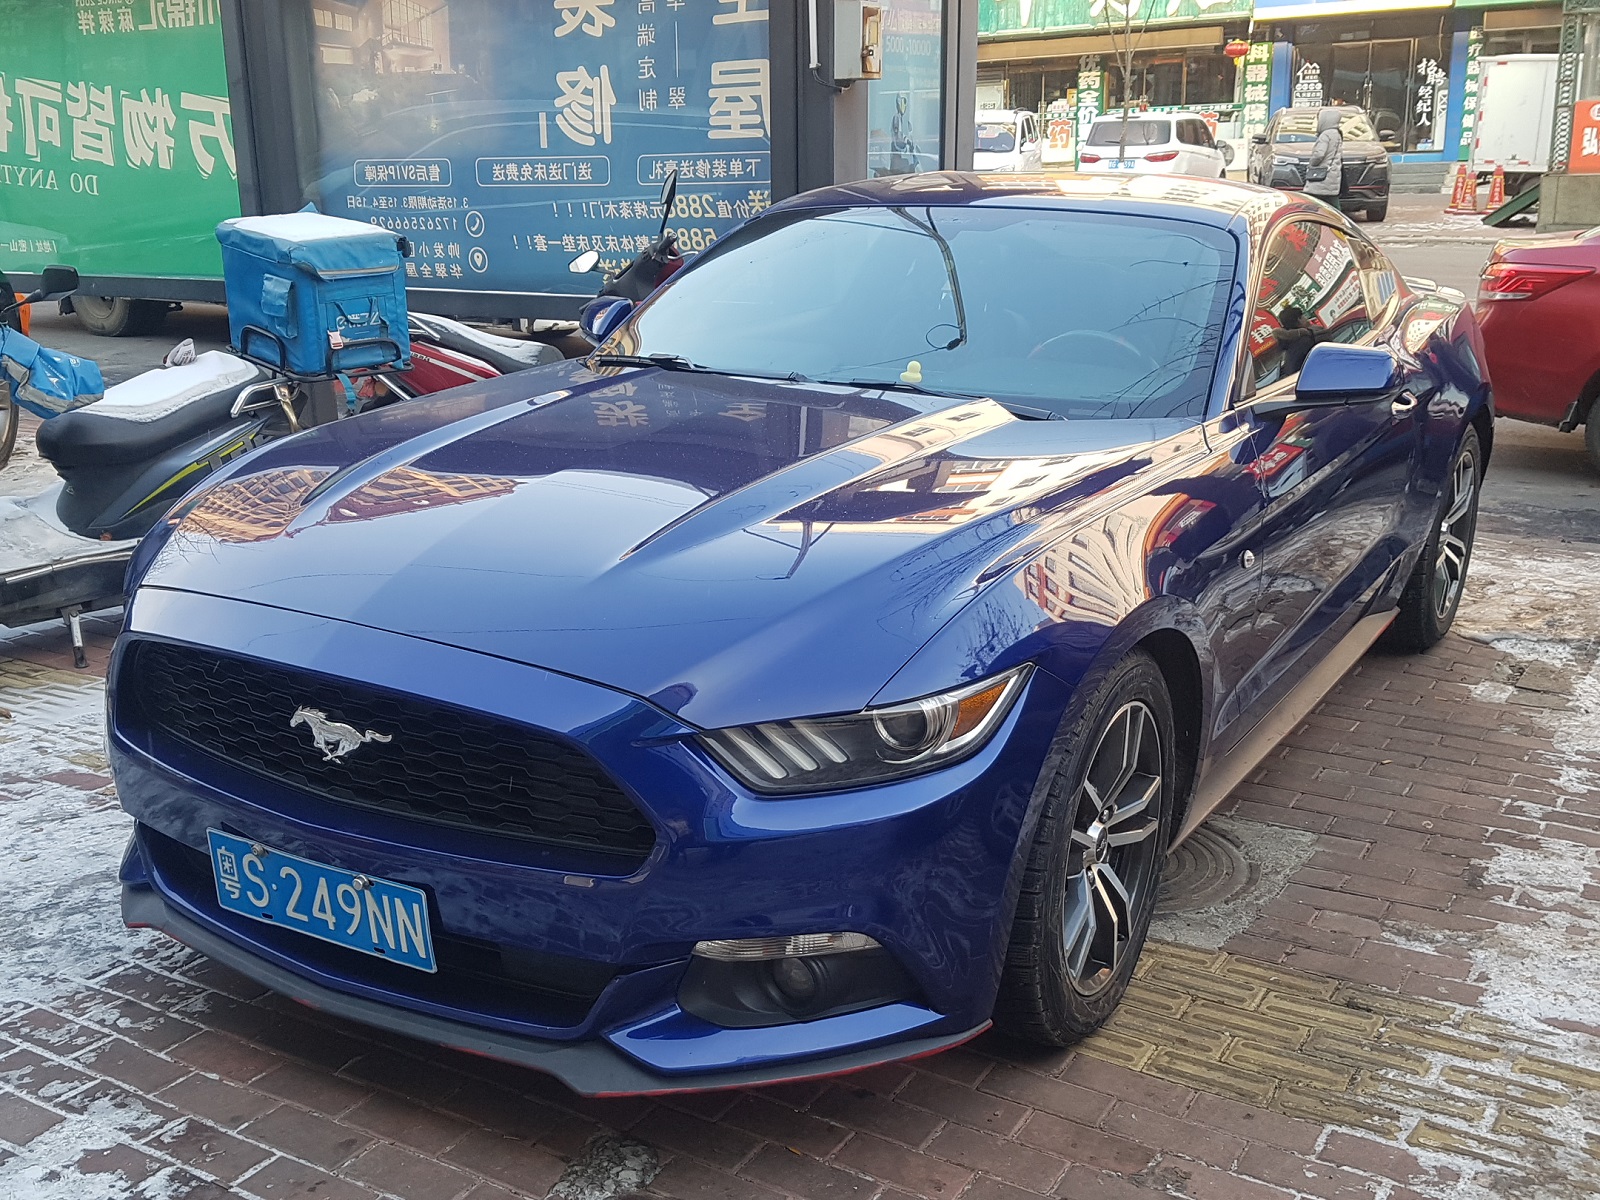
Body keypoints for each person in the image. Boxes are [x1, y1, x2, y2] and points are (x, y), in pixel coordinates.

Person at [1305, 108, 1343, 204]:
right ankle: (1338, 218)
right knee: (1333, 202)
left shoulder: (1325, 135)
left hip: (1322, 175)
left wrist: (1312, 164)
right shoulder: (1337, 134)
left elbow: (1319, 154)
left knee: (1313, 202)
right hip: (1334, 174)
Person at [1271, 306, 1318, 376]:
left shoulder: (1288, 344)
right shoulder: (1304, 341)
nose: (1306, 319)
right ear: (1299, 320)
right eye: (1303, 316)